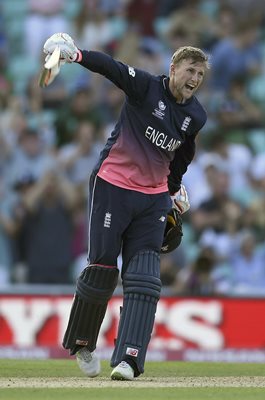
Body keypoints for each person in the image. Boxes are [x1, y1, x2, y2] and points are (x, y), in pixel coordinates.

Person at [42, 32, 210, 380]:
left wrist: (174, 191)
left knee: (145, 277)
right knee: (102, 269)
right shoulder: (147, 87)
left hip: (153, 198)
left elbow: (183, 154)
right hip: (113, 186)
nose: (195, 79)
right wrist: (76, 56)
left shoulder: (196, 115)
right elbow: (112, 68)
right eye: (191, 70)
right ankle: (83, 342)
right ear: (174, 67)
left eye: (201, 75)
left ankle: (129, 359)